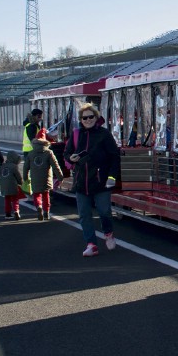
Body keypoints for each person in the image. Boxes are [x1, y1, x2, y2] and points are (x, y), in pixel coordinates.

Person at [67, 102, 121, 257]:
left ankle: (108, 233)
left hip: (101, 181)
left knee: (104, 211)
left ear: (96, 117)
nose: (88, 120)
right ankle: (91, 244)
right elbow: (67, 152)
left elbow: (114, 156)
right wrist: (71, 158)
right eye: (85, 118)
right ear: (81, 120)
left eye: (91, 117)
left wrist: (111, 177)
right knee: (84, 215)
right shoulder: (77, 134)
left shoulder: (104, 134)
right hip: (81, 181)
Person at [26, 130, 63, 221]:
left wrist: (25, 177)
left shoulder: (31, 153)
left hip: (35, 178)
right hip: (46, 178)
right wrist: (60, 176)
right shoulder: (48, 152)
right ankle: (46, 212)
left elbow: (25, 167)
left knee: (36, 195)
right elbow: (55, 165)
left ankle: (38, 206)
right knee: (46, 195)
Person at [20, 107, 44, 192]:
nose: (40, 118)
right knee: (34, 171)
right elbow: (33, 139)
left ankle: (30, 189)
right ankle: (31, 189)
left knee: (31, 170)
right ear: (34, 116)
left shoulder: (31, 124)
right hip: (31, 151)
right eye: (39, 117)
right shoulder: (31, 126)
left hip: (29, 150)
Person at [0, 152, 25, 220]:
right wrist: (21, 183)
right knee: (15, 199)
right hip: (13, 185)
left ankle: (7, 213)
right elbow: (18, 176)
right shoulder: (14, 166)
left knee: (7, 199)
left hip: (4, 186)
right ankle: (16, 210)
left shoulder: (3, 165)